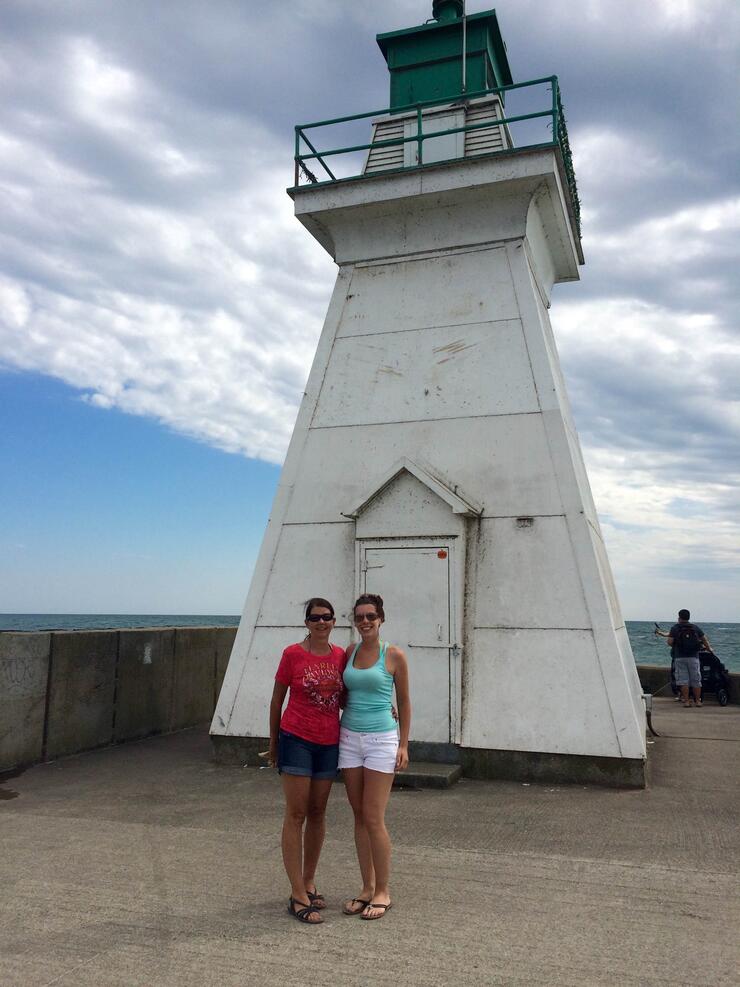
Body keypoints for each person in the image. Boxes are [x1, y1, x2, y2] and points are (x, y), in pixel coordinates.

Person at [268, 598, 346, 924]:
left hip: (329, 741)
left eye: (326, 617)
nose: (321, 623)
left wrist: (386, 706)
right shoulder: (292, 655)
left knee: (317, 812)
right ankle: (297, 893)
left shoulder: (341, 656)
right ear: (306, 622)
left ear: (334, 621)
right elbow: (277, 699)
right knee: (296, 813)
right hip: (296, 739)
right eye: (315, 618)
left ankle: (309, 880)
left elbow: (347, 696)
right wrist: (274, 743)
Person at [339, 593, 411, 921]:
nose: (365, 622)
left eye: (371, 616)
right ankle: (366, 888)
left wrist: (403, 745)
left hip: (382, 740)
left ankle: (383, 889)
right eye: (359, 617)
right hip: (349, 738)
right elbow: (342, 693)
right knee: (357, 815)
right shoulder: (350, 652)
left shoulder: (393, 655)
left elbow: (405, 703)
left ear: (381, 618)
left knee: (373, 817)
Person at [665, 609, 712, 708]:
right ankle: (698, 701)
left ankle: (686, 701)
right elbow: (704, 640)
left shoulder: (675, 628)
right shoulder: (695, 627)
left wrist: (676, 645)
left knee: (683, 680)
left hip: (680, 657)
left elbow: (669, 642)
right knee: (696, 679)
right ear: (688, 617)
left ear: (679, 617)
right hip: (694, 657)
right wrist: (709, 649)